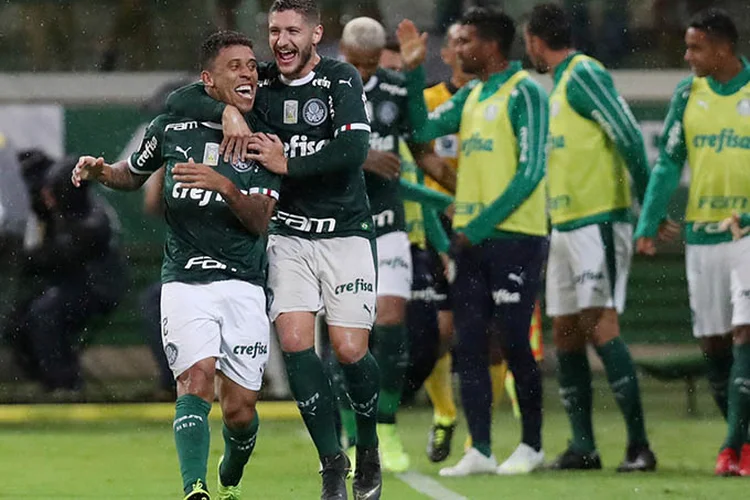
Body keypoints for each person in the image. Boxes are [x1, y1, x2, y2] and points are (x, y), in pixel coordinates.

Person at [165, 2, 384, 497]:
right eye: (274, 31)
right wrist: (222, 109)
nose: (281, 41)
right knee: (295, 342)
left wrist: (288, 163)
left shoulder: (340, 78)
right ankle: (332, 461)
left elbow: (353, 152)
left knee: (351, 351)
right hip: (287, 235)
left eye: (292, 31)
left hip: (346, 231)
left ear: (315, 34)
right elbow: (181, 99)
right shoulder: (260, 82)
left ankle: (368, 445)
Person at [73, 31, 281, 500]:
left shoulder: (263, 136)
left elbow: (259, 221)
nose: (248, 73)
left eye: (252, 65)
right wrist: (103, 171)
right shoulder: (171, 128)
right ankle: (195, 488)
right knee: (195, 377)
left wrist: (223, 184)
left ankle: (233, 463)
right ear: (209, 79)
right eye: (235, 66)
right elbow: (133, 172)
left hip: (244, 283)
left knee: (240, 411)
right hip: (186, 280)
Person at [397, 7, 549, 476]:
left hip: (516, 237)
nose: (457, 50)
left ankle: (531, 445)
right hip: (471, 241)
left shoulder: (525, 92)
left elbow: (531, 172)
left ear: (491, 45)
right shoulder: (473, 94)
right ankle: (479, 448)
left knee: (515, 343)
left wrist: (477, 226)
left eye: (464, 42)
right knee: (468, 346)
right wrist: (413, 70)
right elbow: (420, 130)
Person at [524, 3, 660, 472]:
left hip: (598, 221)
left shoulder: (583, 74)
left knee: (601, 325)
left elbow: (627, 135)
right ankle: (584, 446)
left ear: (535, 41)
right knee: (564, 331)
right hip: (564, 225)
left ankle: (639, 446)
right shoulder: (558, 86)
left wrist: (650, 211)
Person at [335, 16, 457, 474]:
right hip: (338, 229)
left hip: (388, 225)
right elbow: (303, 149)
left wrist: (456, 189)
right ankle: (352, 437)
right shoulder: (321, 90)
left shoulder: (395, 88)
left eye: (371, 64)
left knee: (390, 327)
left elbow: (423, 146)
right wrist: (360, 156)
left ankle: (384, 427)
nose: (365, 73)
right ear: (345, 55)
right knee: (348, 338)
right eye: (358, 64)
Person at [634, 8, 750, 477]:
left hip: (745, 233)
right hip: (701, 238)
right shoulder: (688, 94)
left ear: (723, 48)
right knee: (714, 345)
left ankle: (730, 448)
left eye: (695, 47)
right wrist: (648, 223)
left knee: (745, 334)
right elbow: (667, 164)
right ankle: (742, 443)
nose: (686, 56)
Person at [5, 152, 126, 397]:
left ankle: (65, 385)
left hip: (95, 290)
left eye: (52, 191)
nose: (46, 197)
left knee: (45, 314)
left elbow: (56, 256)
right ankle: (47, 380)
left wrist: (18, 252)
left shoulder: (90, 221)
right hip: (73, 286)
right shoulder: (67, 213)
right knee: (17, 320)